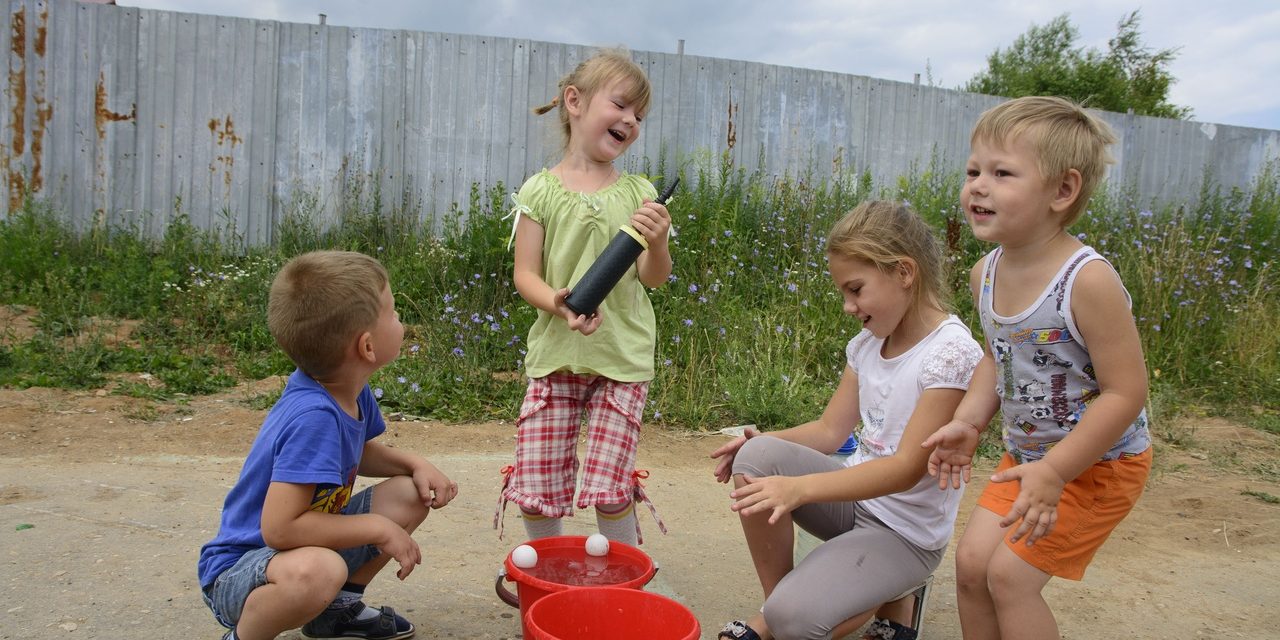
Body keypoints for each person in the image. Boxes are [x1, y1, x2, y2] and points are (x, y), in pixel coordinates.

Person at [922, 96, 1153, 640]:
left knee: (1009, 577)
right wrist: (970, 422)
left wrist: (1056, 470)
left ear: (1063, 191)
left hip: (1097, 466)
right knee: (973, 566)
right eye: (974, 170)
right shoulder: (986, 271)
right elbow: (996, 358)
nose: (978, 185)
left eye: (1002, 173)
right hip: (1025, 460)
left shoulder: (1086, 280)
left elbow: (1126, 392)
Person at [711, 200, 983, 640]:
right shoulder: (868, 345)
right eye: (844, 293)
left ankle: (867, 598)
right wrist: (757, 442)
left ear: (904, 273)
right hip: (856, 503)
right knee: (757, 456)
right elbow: (829, 431)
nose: (847, 306)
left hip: (905, 533)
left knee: (797, 619)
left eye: (856, 290)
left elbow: (904, 469)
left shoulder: (949, 354)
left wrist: (800, 487)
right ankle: (782, 609)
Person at [197, 251, 458, 640]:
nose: (401, 321)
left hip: (297, 550)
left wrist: (414, 463)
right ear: (367, 347)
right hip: (241, 572)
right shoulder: (314, 417)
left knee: (410, 491)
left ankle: (337, 613)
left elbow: (355, 453)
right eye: (393, 313)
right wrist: (378, 528)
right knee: (321, 569)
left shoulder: (344, 387)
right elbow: (280, 529)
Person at [493, 50, 673, 545]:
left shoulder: (640, 192)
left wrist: (657, 242)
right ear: (574, 101)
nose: (631, 121)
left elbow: (653, 278)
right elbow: (525, 275)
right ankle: (546, 571)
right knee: (537, 481)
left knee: (611, 485)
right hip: (556, 356)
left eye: (639, 115)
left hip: (622, 357)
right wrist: (560, 303)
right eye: (620, 105)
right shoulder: (540, 191)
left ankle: (620, 585)